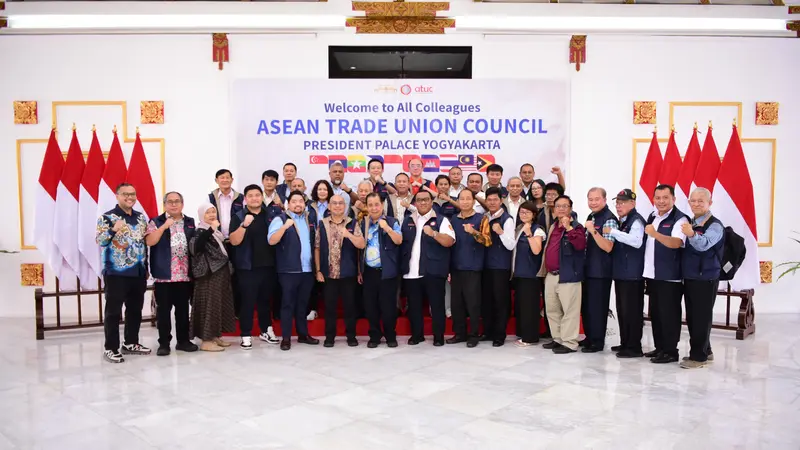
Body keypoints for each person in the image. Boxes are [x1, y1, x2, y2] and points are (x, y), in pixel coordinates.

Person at [96, 183, 151, 363]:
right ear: (117, 196)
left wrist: (146, 267)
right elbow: (101, 241)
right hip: (116, 273)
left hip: (138, 272)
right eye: (125, 194)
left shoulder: (141, 217)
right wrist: (113, 229)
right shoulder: (107, 217)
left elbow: (144, 244)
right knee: (113, 312)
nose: (130, 197)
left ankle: (130, 343)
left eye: (133, 194)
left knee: (135, 309)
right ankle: (110, 347)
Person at [145, 192, 199, 356]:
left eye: (177, 202)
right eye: (170, 202)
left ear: (182, 204)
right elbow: (149, 241)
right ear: (165, 204)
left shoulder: (189, 222)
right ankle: (164, 343)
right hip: (164, 275)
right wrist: (164, 227)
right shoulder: (156, 221)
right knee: (163, 312)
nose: (174, 205)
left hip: (184, 275)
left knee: (183, 310)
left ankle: (183, 341)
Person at [401, 189, 455, 346]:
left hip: (434, 270)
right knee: (414, 306)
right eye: (419, 200)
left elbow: (449, 241)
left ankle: (438, 336)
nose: (423, 203)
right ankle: (417, 335)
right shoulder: (408, 220)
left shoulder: (441, 220)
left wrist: (434, 234)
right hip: (411, 272)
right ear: (415, 203)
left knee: (437, 305)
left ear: (432, 202)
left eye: (426, 200)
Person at [229, 184, 280, 349]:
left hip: (268, 265)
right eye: (250, 196)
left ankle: (266, 330)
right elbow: (234, 241)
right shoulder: (238, 216)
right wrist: (244, 225)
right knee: (248, 302)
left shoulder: (270, 215)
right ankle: (245, 334)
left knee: (265, 301)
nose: (254, 198)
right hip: (247, 267)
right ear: (245, 199)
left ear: (262, 197)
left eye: (257, 195)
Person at [643, 184, 689, 364]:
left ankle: (671, 351)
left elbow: (677, 243)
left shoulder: (680, 219)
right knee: (656, 313)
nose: (661, 201)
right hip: (652, 274)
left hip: (669, 275)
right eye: (658, 198)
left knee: (669, 314)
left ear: (673, 199)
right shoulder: (653, 216)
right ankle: (660, 347)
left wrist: (655, 234)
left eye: (665, 198)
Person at [268, 190, 320, 351]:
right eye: (294, 201)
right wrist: (284, 227)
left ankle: (303, 334)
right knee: (287, 304)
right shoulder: (280, 219)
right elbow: (271, 240)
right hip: (289, 270)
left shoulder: (309, 219)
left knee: (302, 305)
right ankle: (286, 338)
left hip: (307, 270)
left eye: (300, 201)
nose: (298, 204)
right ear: (288, 204)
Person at [680, 187, 724, 369]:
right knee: (693, 317)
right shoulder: (692, 221)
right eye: (693, 201)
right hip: (691, 276)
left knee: (700, 317)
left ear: (709, 203)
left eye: (701, 201)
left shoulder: (714, 225)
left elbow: (703, 245)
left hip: (705, 278)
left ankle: (698, 357)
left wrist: (690, 233)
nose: (696, 204)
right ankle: (706, 350)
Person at [315, 194, 366, 347]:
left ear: (345, 206)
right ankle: (330, 337)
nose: (337, 206)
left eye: (341, 203)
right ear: (329, 207)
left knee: (350, 306)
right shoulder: (322, 224)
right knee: (329, 308)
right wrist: (318, 270)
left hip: (348, 273)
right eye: (334, 203)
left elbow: (361, 245)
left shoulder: (353, 223)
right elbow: (317, 248)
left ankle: (351, 336)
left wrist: (348, 234)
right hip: (328, 273)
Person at [538, 195, 586, 354]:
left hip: (568, 275)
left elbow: (580, 246)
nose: (561, 209)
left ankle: (570, 342)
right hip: (551, 275)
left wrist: (569, 228)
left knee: (569, 311)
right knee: (552, 310)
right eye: (558, 206)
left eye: (565, 206)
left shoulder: (577, 227)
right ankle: (558, 339)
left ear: (570, 209)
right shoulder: (553, 226)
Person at [189, 203, 236, 352]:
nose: (211, 215)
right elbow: (196, 247)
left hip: (219, 274)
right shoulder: (200, 231)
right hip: (208, 276)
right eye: (207, 213)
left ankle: (215, 335)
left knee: (218, 305)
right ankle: (206, 340)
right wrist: (210, 229)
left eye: (213, 212)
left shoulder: (216, 232)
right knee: (209, 306)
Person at [447, 189, 491, 347]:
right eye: (462, 198)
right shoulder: (453, 219)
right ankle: (459, 333)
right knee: (456, 303)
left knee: (473, 303)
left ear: (474, 201)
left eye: (468, 198)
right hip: (456, 267)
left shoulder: (481, 218)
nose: (465, 201)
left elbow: (487, 241)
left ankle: (473, 335)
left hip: (473, 267)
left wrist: (473, 232)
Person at [360, 192, 403, 348]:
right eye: (370, 205)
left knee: (388, 307)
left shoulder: (392, 221)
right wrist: (360, 270)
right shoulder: (363, 223)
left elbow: (399, 240)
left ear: (382, 205)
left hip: (387, 271)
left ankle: (390, 335)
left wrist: (387, 228)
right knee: (371, 307)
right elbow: (359, 249)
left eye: (376, 204)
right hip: (369, 272)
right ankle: (375, 336)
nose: (373, 208)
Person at [607, 189, 647, 358]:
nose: (618, 206)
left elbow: (636, 242)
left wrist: (614, 232)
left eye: (622, 203)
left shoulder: (636, 220)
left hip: (632, 274)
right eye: (617, 203)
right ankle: (625, 343)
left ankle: (634, 347)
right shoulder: (624, 221)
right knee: (622, 310)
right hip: (622, 273)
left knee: (632, 312)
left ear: (633, 203)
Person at [581, 187, 618, 353]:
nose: (593, 202)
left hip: (601, 271)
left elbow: (608, 247)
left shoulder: (609, 219)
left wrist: (592, 230)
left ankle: (597, 341)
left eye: (597, 199)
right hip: (588, 270)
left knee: (598, 307)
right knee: (588, 307)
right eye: (590, 199)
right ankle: (589, 338)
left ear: (604, 200)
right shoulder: (592, 216)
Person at [481, 187, 516, 346]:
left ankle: (499, 335)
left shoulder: (507, 219)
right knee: (487, 300)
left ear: (501, 201)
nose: (492, 202)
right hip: (485, 265)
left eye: (495, 200)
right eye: (489, 200)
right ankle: (488, 332)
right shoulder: (485, 217)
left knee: (500, 301)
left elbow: (510, 245)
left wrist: (501, 232)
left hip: (500, 266)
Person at [512, 201, 546, 347]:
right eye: (521, 212)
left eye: (527, 212)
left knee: (530, 307)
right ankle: (522, 333)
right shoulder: (519, 228)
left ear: (534, 215)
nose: (523, 214)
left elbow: (536, 250)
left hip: (531, 274)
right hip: (519, 273)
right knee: (521, 306)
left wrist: (529, 233)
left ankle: (530, 337)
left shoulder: (537, 230)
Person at [208, 169, 243, 239]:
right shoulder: (210, 198)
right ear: (216, 180)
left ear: (232, 180)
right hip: (217, 239)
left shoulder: (241, 198)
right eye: (222, 178)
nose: (225, 180)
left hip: (236, 239)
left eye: (227, 177)